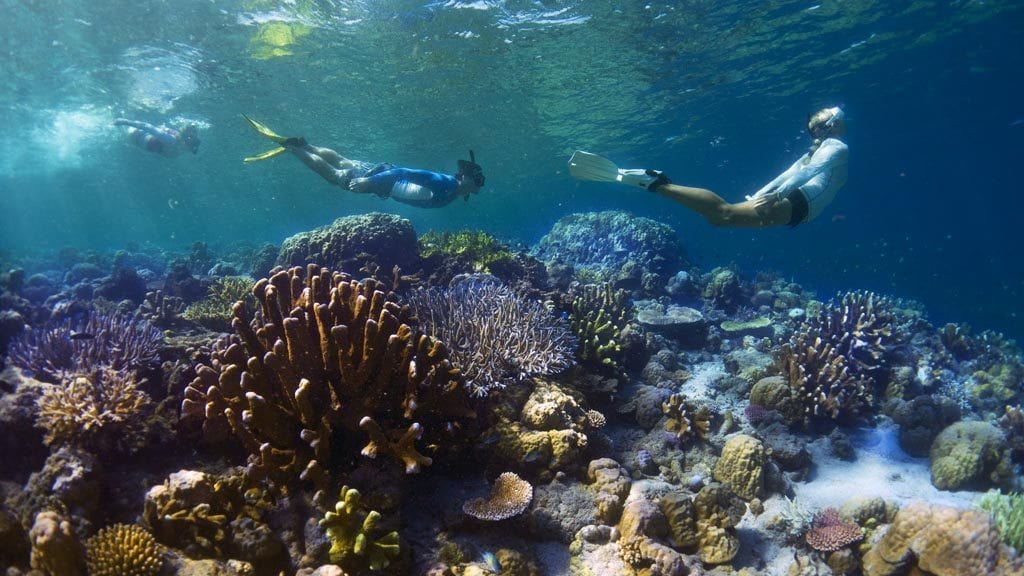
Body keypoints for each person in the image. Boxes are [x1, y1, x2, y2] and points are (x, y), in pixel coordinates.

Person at [568, 107, 848, 228]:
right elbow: (802, 174)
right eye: (839, 118)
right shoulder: (837, 147)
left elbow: (790, 173)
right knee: (723, 214)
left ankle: (658, 184)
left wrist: (762, 194)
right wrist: (774, 195)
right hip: (800, 203)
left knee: (720, 218)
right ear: (833, 125)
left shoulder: (821, 148)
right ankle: (658, 184)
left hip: (798, 202)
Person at [242, 115, 485, 208]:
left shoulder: (453, 191)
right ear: (465, 177)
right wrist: (369, 183)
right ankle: (292, 148)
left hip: (379, 173)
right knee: (335, 176)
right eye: (479, 179)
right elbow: (404, 171)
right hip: (380, 180)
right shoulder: (445, 183)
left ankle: (304, 144)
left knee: (342, 160)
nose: (480, 184)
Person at [113, 118, 201, 157]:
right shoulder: (170, 140)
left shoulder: (184, 144)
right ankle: (117, 117)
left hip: (141, 140)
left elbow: (193, 148)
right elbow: (148, 127)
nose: (191, 148)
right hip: (135, 135)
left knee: (122, 132)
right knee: (123, 132)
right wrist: (125, 121)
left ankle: (119, 117)